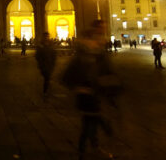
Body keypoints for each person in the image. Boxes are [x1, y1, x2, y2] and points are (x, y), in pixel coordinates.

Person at [61, 20, 120, 160]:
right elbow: (74, 71)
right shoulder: (87, 50)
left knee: (90, 121)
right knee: (92, 120)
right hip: (87, 91)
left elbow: (104, 69)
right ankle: (91, 148)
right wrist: (80, 86)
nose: (102, 33)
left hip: (94, 90)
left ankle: (86, 148)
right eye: (100, 29)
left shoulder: (96, 50)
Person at [35, 32, 57, 97]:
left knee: (47, 78)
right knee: (47, 77)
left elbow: (54, 54)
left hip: (50, 65)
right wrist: (41, 64)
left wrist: (53, 63)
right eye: (45, 36)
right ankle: (45, 91)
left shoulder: (51, 45)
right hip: (43, 65)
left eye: (47, 36)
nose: (46, 38)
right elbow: (37, 56)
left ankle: (47, 89)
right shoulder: (40, 46)